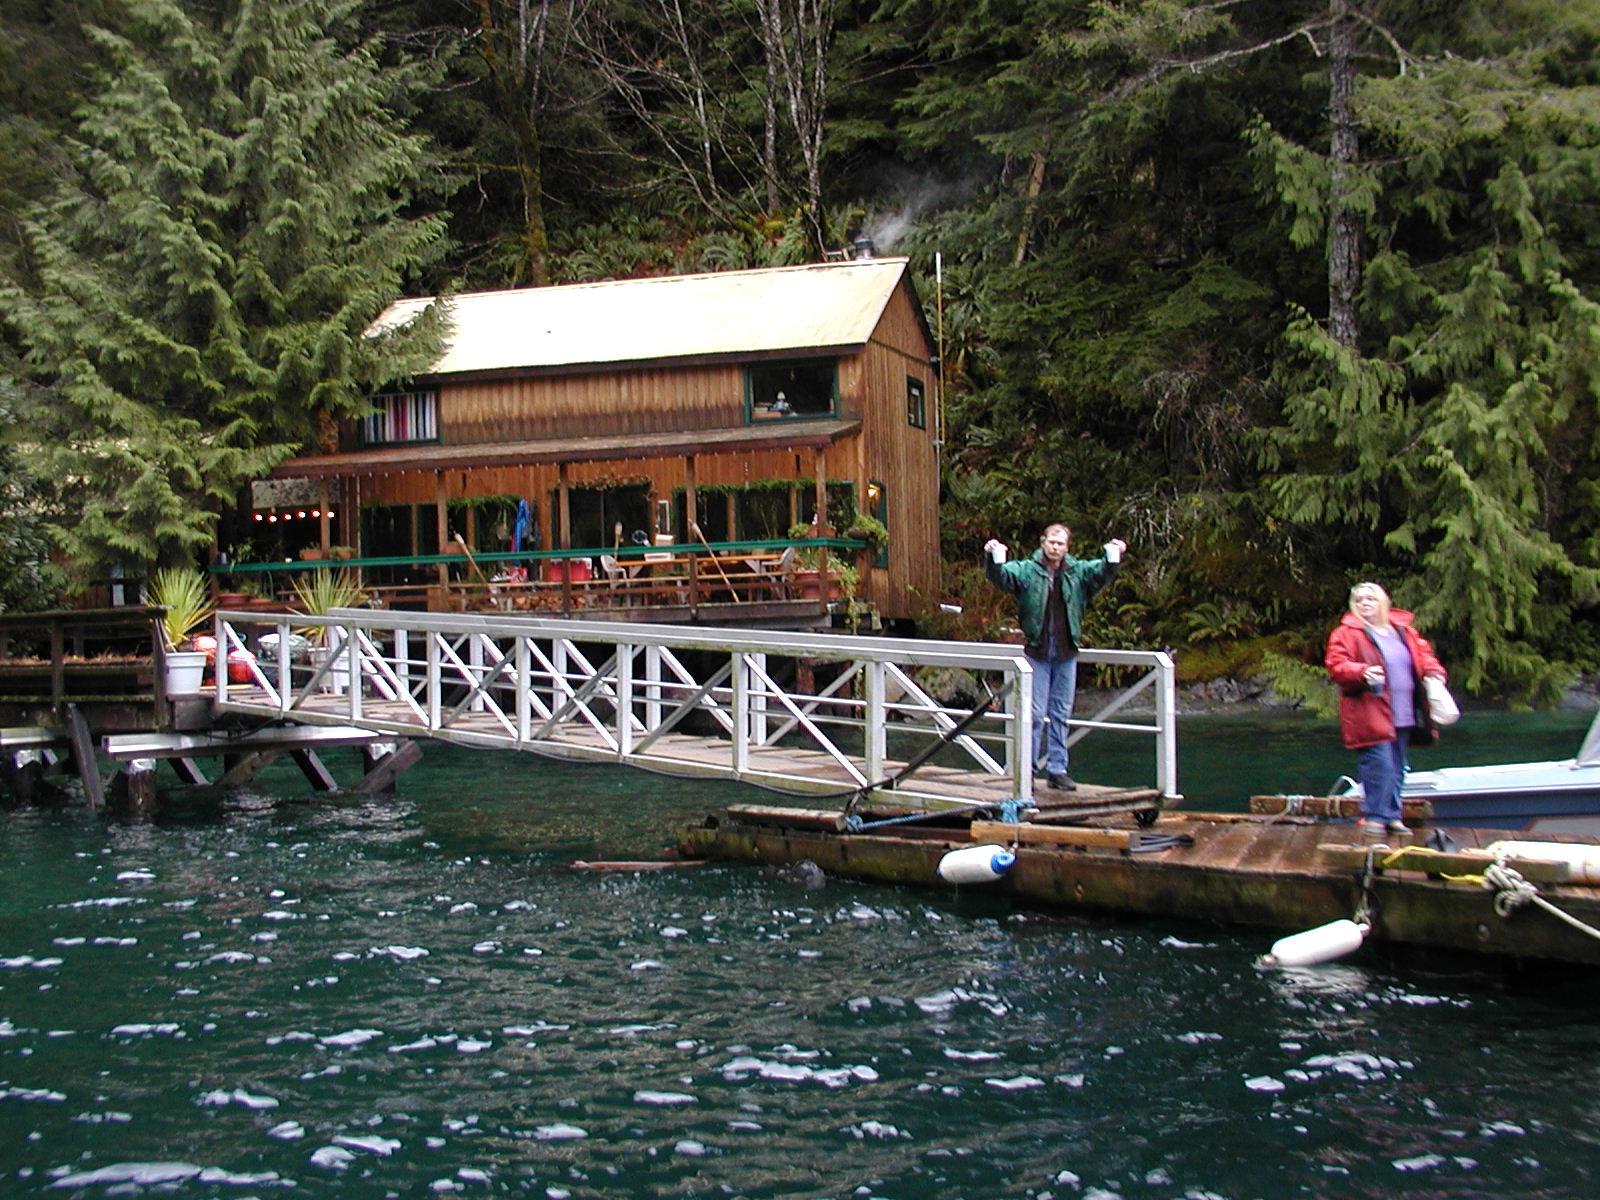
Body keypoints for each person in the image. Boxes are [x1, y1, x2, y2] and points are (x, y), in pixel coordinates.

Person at [982, 524, 1126, 791]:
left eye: (1060, 543)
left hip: (1065, 651)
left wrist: (1113, 556)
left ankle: (1057, 770)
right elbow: (1001, 576)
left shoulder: (1077, 572)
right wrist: (992, 557)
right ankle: (1028, 770)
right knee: (1035, 715)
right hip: (1037, 651)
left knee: (1061, 713)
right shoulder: (1027, 570)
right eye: (1052, 542)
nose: (1055, 547)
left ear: (1067, 547)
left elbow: (1102, 572)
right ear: (1043, 542)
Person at [1324, 581, 1447, 836]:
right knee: (1379, 765)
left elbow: (1424, 657)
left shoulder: (1404, 631)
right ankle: (1375, 817)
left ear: (1382, 602)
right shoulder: (1345, 634)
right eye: (1359, 600)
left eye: (1370, 599)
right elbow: (1336, 665)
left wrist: (1434, 674)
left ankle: (1392, 815)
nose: (1364, 604)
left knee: (1398, 766)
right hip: (1369, 711)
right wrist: (1361, 671)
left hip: (1404, 710)